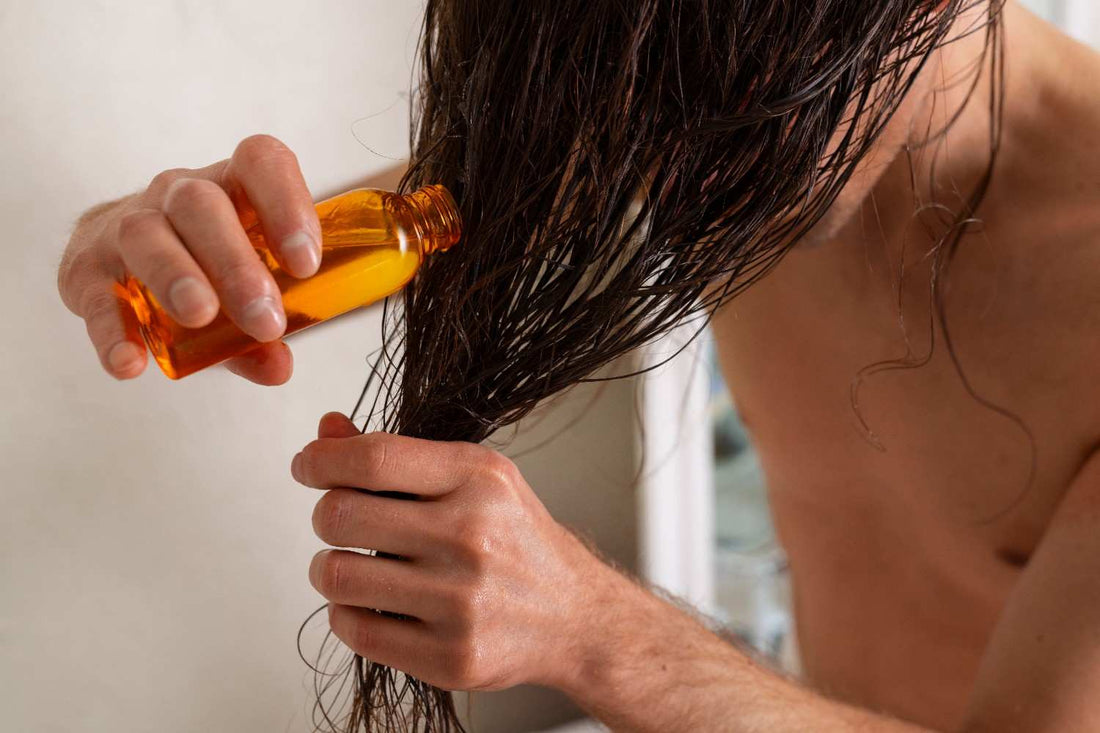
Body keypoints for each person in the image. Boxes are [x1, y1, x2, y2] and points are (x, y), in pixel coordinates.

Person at [56, 1, 1100, 730]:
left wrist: (597, 635)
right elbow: (385, 230)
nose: (657, 170)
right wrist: (154, 243)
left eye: (718, 123)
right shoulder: (716, 105)